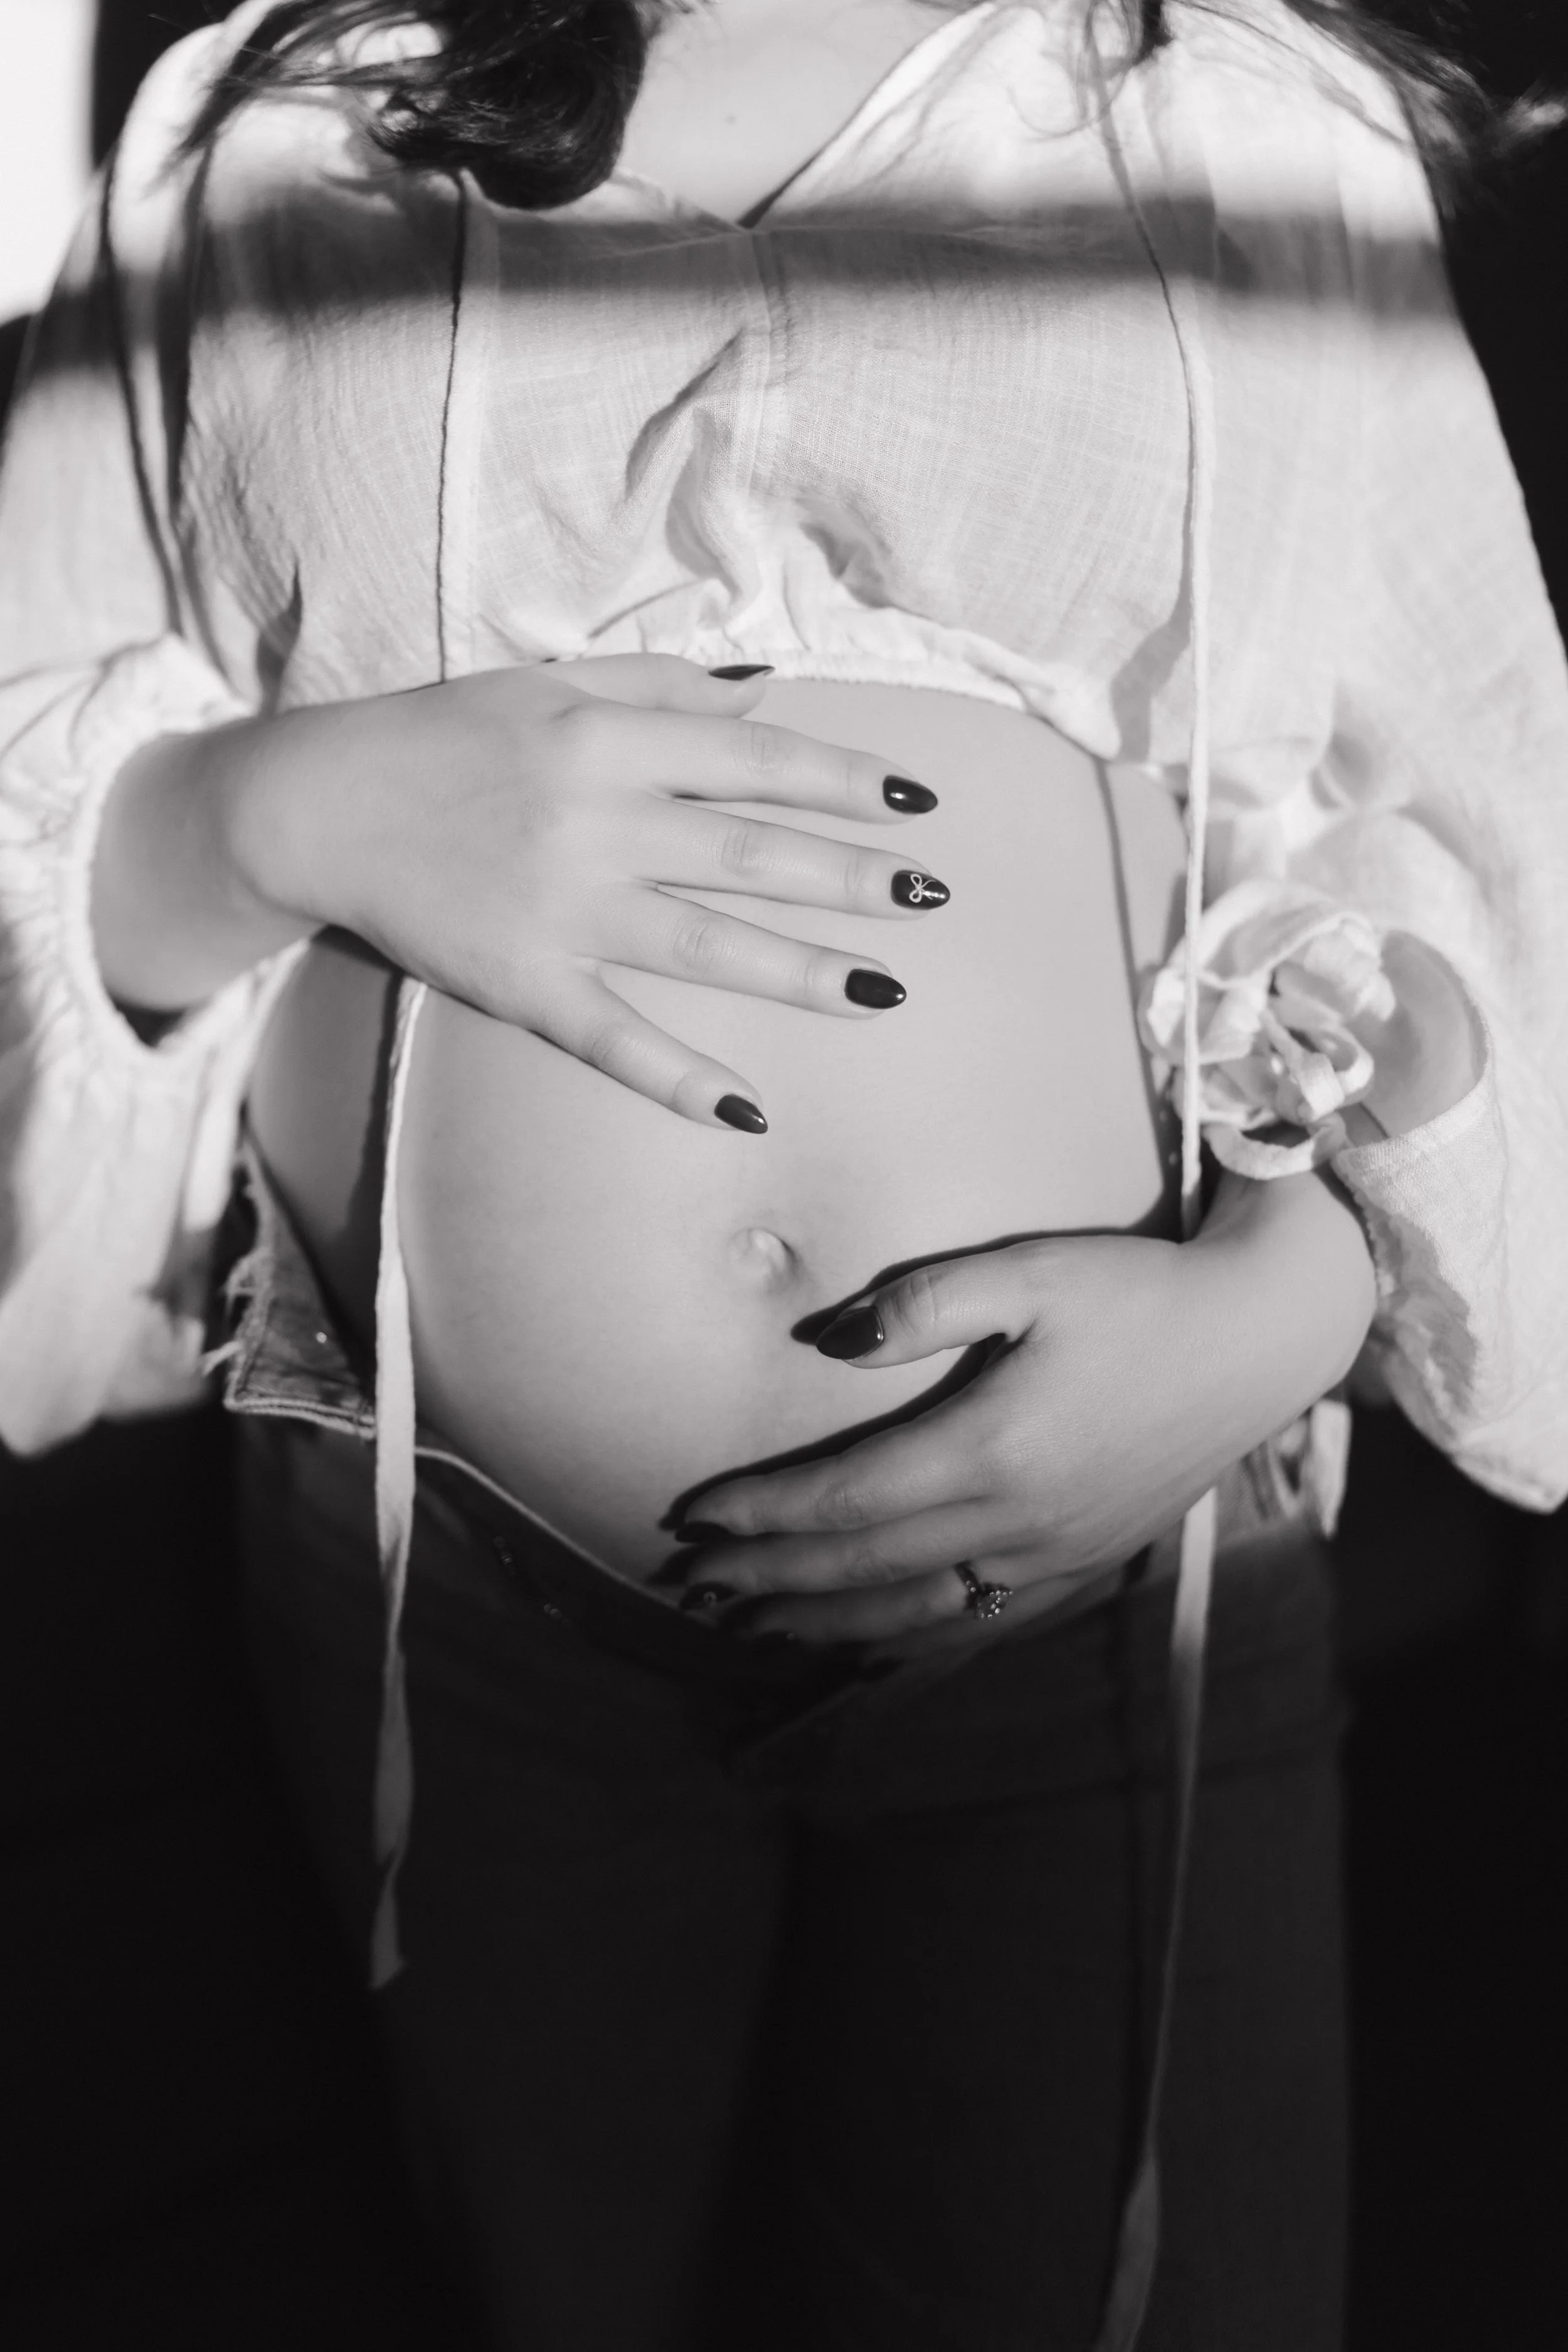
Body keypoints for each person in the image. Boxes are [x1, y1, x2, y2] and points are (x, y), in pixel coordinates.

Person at [3, 1, 1567, 2344]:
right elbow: (39, 756)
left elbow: (1463, 798)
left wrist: (1303, 1287)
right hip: (430, 1566)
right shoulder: (274, 114)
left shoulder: (1249, 116)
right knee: (532, 2286)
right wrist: (271, 812)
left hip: (1118, 1556)